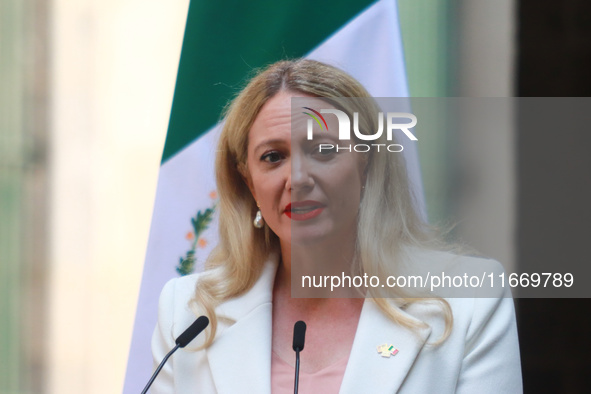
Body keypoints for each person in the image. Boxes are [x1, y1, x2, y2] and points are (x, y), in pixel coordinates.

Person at [150, 59, 522, 393]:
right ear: (248, 183)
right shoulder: (189, 312)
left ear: (368, 164)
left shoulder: (469, 302)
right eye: (273, 157)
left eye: (323, 150)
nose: (297, 178)